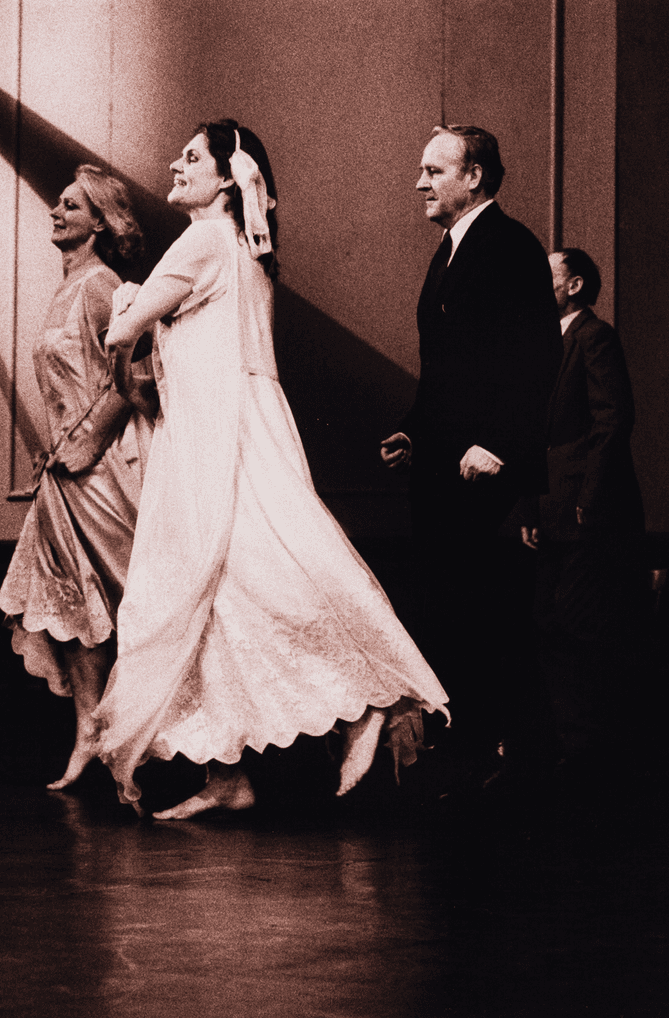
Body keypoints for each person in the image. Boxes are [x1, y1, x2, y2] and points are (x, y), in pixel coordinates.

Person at [97, 121, 449, 818]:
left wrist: (123, 302)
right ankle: (229, 775)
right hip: (240, 422)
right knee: (224, 595)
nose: (175, 163)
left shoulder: (204, 239)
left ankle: (370, 697)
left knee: (247, 577)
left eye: (192, 157)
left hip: (216, 435)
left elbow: (120, 331)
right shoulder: (248, 247)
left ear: (228, 178)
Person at [379, 125, 562, 774]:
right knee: (449, 606)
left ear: (474, 176)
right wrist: (413, 430)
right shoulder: (450, 251)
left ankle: (493, 750)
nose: (419, 182)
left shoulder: (510, 246)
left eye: (434, 170)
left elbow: (537, 359)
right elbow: (446, 371)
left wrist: (500, 445)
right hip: (441, 464)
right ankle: (470, 747)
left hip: (479, 468)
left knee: (475, 610)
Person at [0, 165, 156, 791]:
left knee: (132, 593)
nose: (56, 213)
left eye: (71, 207)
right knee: (73, 601)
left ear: (101, 222)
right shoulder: (66, 288)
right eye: (57, 204)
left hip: (105, 470)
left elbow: (138, 377)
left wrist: (89, 441)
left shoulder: (103, 286)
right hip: (63, 473)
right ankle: (89, 731)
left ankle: (181, 744)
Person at [518, 248, 643, 777]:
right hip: (547, 513)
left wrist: (585, 504)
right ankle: (564, 747)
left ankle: (591, 753)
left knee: (580, 626)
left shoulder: (595, 336)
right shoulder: (543, 345)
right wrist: (529, 507)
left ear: (574, 285)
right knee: (547, 624)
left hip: (586, 514)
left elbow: (611, 423)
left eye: (547, 275)